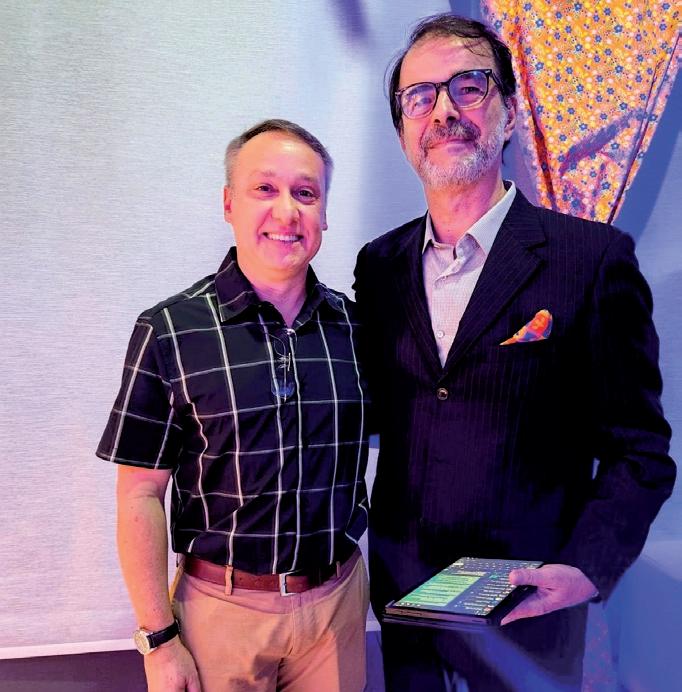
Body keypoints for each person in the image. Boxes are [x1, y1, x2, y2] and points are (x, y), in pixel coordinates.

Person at [353, 13, 676, 691]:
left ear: (509, 113)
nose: (444, 111)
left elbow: (640, 451)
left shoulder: (591, 260)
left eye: (468, 88)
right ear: (404, 131)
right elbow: (372, 411)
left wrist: (585, 568)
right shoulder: (378, 268)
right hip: (408, 614)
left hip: (529, 618)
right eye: (420, 97)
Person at [98, 119, 370, 692]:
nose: (286, 211)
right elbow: (140, 494)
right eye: (264, 188)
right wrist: (157, 640)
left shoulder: (355, 328)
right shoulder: (170, 331)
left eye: (305, 193)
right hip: (219, 613)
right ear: (229, 204)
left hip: (337, 606)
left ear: (324, 213)